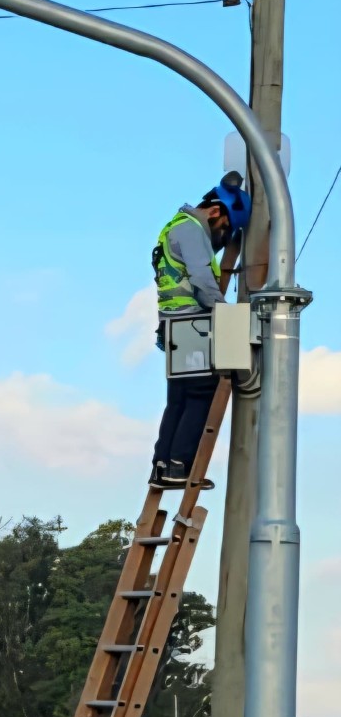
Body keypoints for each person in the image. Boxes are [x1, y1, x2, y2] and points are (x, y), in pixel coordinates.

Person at [149, 172, 250, 490]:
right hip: (192, 325)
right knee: (200, 394)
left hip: (173, 326)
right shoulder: (192, 231)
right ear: (217, 212)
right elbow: (203, 281)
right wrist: (226, 318)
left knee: (178, 400)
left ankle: (163, 467)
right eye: (225, 231)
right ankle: (180, 467)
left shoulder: (173, 228)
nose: (222, 240)